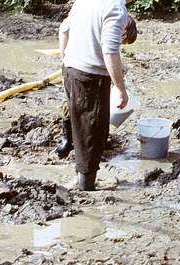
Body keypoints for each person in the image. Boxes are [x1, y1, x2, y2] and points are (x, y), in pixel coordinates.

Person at [59, 0, 136, 190]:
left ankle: (81, 177)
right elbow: (110, 50)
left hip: (71, 70)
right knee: (92, 132)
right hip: (90, 78)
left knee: (81, 125)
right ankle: (87, 187)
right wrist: (120, 89)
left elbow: (64, 30)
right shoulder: (116, 7)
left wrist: (65, 60)